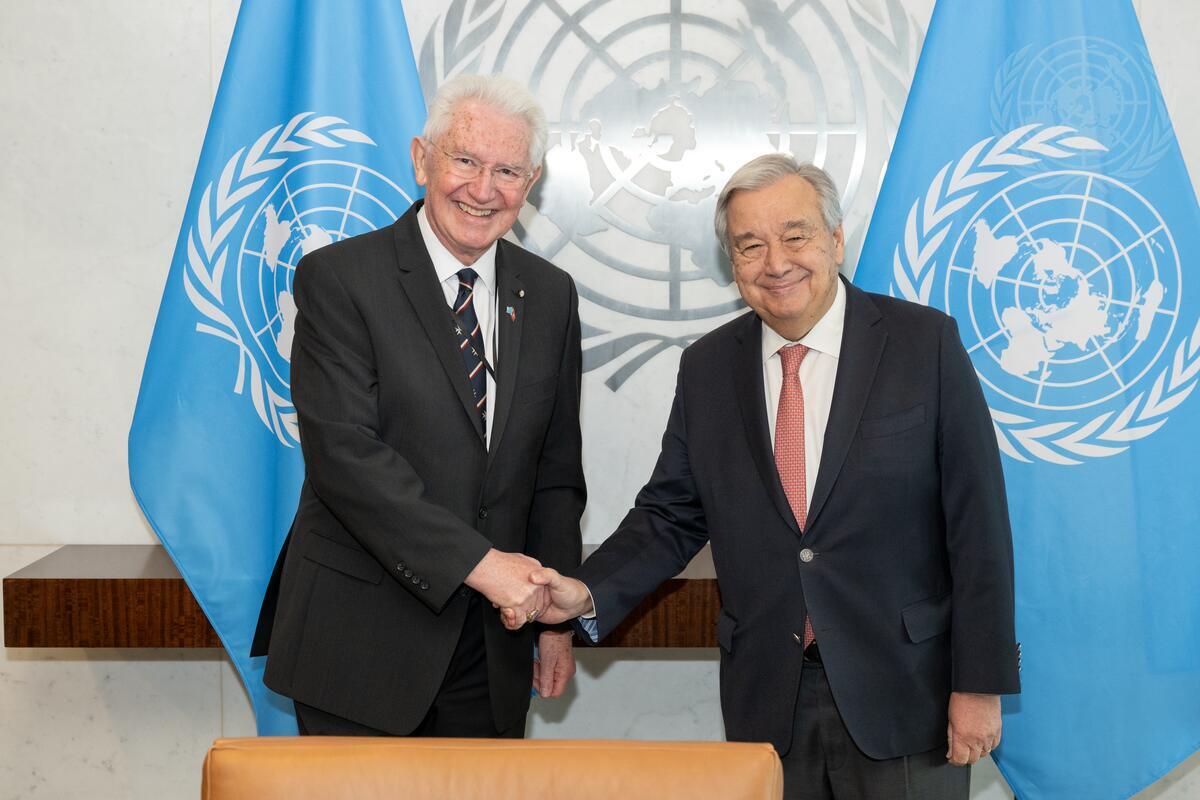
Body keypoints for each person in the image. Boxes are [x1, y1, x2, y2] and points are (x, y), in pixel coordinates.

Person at [506, 155, 1019, 799]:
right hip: (770, 700)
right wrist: (583, 593)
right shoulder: (708, 368)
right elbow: (669, 514)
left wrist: (977, 685)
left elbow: (978, 529)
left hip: (907, 693)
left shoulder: (925, 345)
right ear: (733, 264)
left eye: (795, 235)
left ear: (835, 240)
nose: (775, 262)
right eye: (750, 245)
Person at [251, 74, 586, 738]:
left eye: (507, 170)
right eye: (464, 160)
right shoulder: (340, 279)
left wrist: (556, 620)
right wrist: (482, 566)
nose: (483, 189)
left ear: (533, 181)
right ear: (420, 158)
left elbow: (554, 472)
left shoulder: (550, 295)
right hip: (360, 639)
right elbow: (347, 458)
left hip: (492, 646)